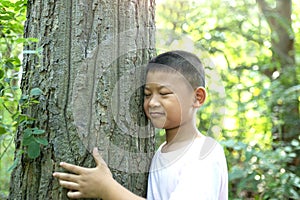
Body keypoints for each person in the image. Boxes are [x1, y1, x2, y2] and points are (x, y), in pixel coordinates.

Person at [53, 50, 228, 199]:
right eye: (147, 94)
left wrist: (107, 188)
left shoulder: (203, 154)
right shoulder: (161, 152)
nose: (152, 103)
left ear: (197, 98)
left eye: (164, 93)